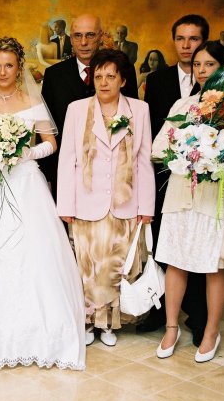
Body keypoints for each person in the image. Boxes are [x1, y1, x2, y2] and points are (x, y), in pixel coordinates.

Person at [0, 37, 85, 369]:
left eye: (9, 65)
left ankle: (36, 331)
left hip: (25, 183)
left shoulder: (32, 101)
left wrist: (25, 154)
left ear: (19, 67)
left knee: (31, 251)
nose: (3, 72)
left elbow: (50, 143)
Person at [57, 49, 155, 347]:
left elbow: (144, 160)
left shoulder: (139, 110)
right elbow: (67, 159)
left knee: (115, 266)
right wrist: (65, 205)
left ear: (122, 80)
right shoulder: (77, 109)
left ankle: (109, 324)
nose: (103, 82)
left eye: (110, 76)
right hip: (86, 202)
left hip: (125, 203)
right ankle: (89, 321)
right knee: (88, 267)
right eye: (98, 76)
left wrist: (147, 206)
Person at [151, 41, 224, 363]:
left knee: (213, 264)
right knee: (175, 260)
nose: (202, 70)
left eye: (209, 64)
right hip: (181, 193)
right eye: (197, 64)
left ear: (223, 69)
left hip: (214, 198)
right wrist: (184, 152)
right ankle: (171, 328)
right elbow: (158, 147)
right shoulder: (182, 105)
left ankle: (211, 331)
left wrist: (213, 156)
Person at [138, 14, 209, 347]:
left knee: (197, 243)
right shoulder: (157, 80)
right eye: (180, 38)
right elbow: (150, 128)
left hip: (203, 181)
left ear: (203, 43)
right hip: (162, 176)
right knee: (162, 244)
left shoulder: (216, 84)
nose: (186, 45)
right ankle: (160, 310)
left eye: (193, 39)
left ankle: (197, 314)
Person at [41, 14, 139, 199]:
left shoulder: (123, 69)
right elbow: (47, 128)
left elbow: (133, 122)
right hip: (68, 173)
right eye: (77, 36)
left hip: (114, 173)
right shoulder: (54, 75)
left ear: (100, 36)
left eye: (90, 35)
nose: (83, 42)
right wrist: (47, 175)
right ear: (71, 38)